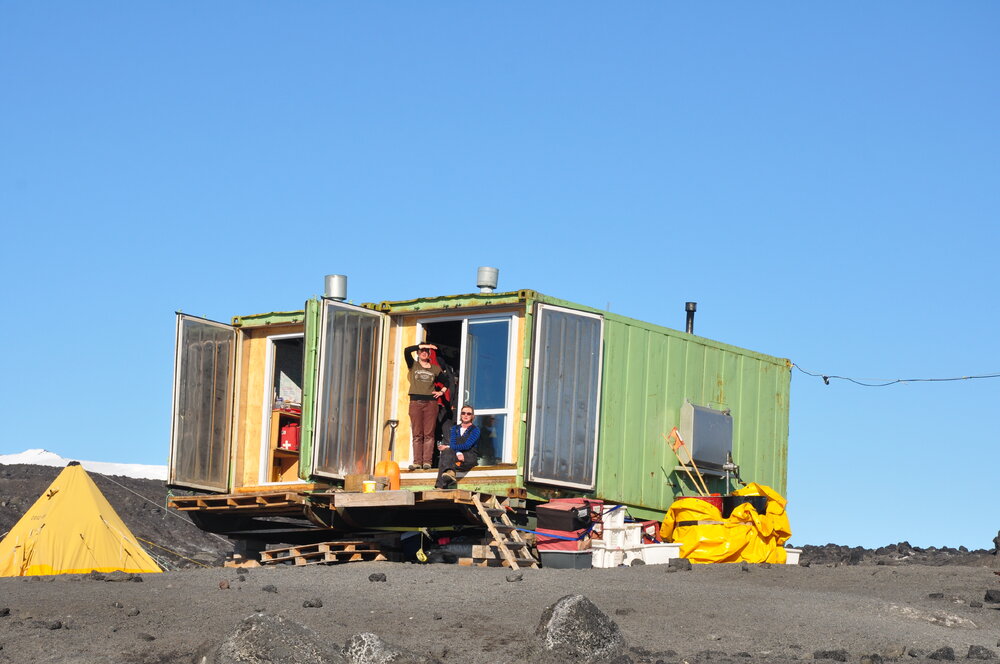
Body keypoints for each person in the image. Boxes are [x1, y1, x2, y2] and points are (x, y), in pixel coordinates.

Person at [404, 343, 446, 470]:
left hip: (431, 404)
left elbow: (446, 381)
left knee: (429, 434)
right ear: (417, 353)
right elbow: (407, 350)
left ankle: (427, 462)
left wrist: (441, 391)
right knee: (417, 434)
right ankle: (417, 462)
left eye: (426, 351)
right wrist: (424, 345)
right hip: (415, 403)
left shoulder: (435, 368)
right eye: (421, 350)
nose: (424, 352)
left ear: (429, 354)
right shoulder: (413, 365)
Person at [434, 406, 480, 489]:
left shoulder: (475, 430)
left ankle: (447, 476)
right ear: (460, 415)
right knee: (446, 453)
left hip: (469, 456)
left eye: (469, 414)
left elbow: (467, 445)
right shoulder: (454, 428)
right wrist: (458, 452)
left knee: (448, 451)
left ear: (473, 416)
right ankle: (445, 480)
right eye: (463, 413)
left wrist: (449, 447)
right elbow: (453, 443)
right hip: (456, 456)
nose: (466, 415)